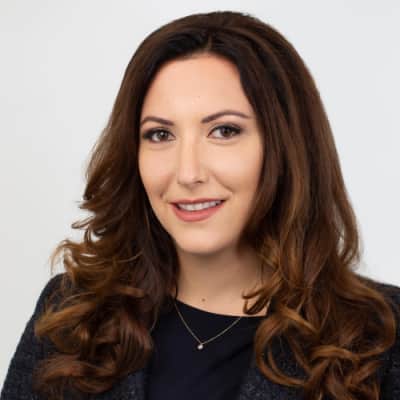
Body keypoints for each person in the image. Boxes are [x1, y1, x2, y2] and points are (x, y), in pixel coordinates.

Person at [1, 10, 400, 400]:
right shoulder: (71, 315)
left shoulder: (382, 337)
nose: (187, 173)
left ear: (287, 147)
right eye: (160, 135)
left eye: (224, 131)